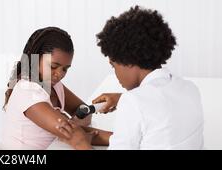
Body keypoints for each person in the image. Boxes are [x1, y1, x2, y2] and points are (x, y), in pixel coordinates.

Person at [57, 6, 204, 150]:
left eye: (113, 65)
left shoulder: (133, 102)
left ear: (128, 61)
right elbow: (158, 106)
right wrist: (120, 98)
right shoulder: (190, 88)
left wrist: (79, 143)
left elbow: (140, 105)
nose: (115, 73)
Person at [0, 27, 91, 150]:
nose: (60, 74)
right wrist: (75, 127)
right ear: (36, 59)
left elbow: (84, 110)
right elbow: (72, 134)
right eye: (53, 66)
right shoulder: (28, 92)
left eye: (65, 69)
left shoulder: (54, 85)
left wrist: (74, 124)